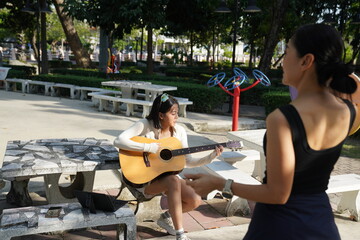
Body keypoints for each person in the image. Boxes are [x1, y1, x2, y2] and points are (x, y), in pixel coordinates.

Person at [185, 23, 360, 240]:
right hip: (321, 224)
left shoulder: (283, 118)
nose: (282, 61)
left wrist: (220, 183)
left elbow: (278, 194)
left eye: (286, 53)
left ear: (306, 61)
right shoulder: (348, 112)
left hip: (280, 226)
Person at [114, 93, 223, 240]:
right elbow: (119, 140)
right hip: (143, 179)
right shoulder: (145, 125)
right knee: (173, 180)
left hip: (167, 178)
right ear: (160, 115)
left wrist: (211, 156)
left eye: (177, 113)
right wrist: (147, 147)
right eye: (173, 113)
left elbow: (188, 162)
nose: (176, 117)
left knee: (195, 200)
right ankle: (180, 234)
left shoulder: (179, 132)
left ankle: (166, 217)